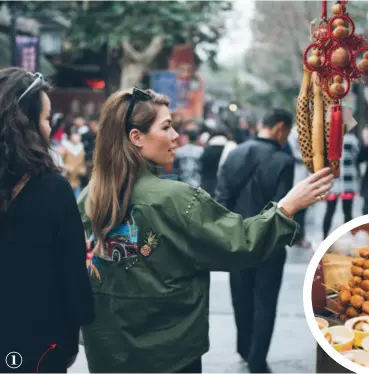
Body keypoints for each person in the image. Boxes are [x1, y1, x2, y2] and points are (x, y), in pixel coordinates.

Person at [77, 88, 333, 373]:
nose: (176, 135)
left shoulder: (89, 196)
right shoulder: (177, 199)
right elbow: (240, 243)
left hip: (107, 350)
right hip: (170, 352)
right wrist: (287, 207)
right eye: (166, 126)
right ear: (136, 137)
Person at [0, 68, 95, 373]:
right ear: (27, 124)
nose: (48, 127)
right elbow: (71, 273)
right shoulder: (52, 188)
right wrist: (70, 340)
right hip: (39, 341)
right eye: (45, 118)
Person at [214, 108, 300, 373]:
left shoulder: (234, 153)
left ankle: (243, 346)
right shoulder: (283, 161)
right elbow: (285, 207)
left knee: (240, 296)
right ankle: (256, 359)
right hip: (269, 243)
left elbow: (221, 200)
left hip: (236, 238)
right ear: (280, 128)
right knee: (265, 300)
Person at [323, 129, 360, 237]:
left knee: (329, 211)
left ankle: (324, 238)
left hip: (333, 182)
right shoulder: (352, 140)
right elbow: (357, 156)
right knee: (347, 212)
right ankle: (350, 238)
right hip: (347, 182)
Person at [61, 132, 86, 198]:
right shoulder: (65, 148)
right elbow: (59, 162)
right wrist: (66, 167)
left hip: (77, 180)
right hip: (66, 179)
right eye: (75, 136)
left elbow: (82, 163)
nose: (77, 138)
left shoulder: (81, 148)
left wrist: (82, 169)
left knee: (77, 200)